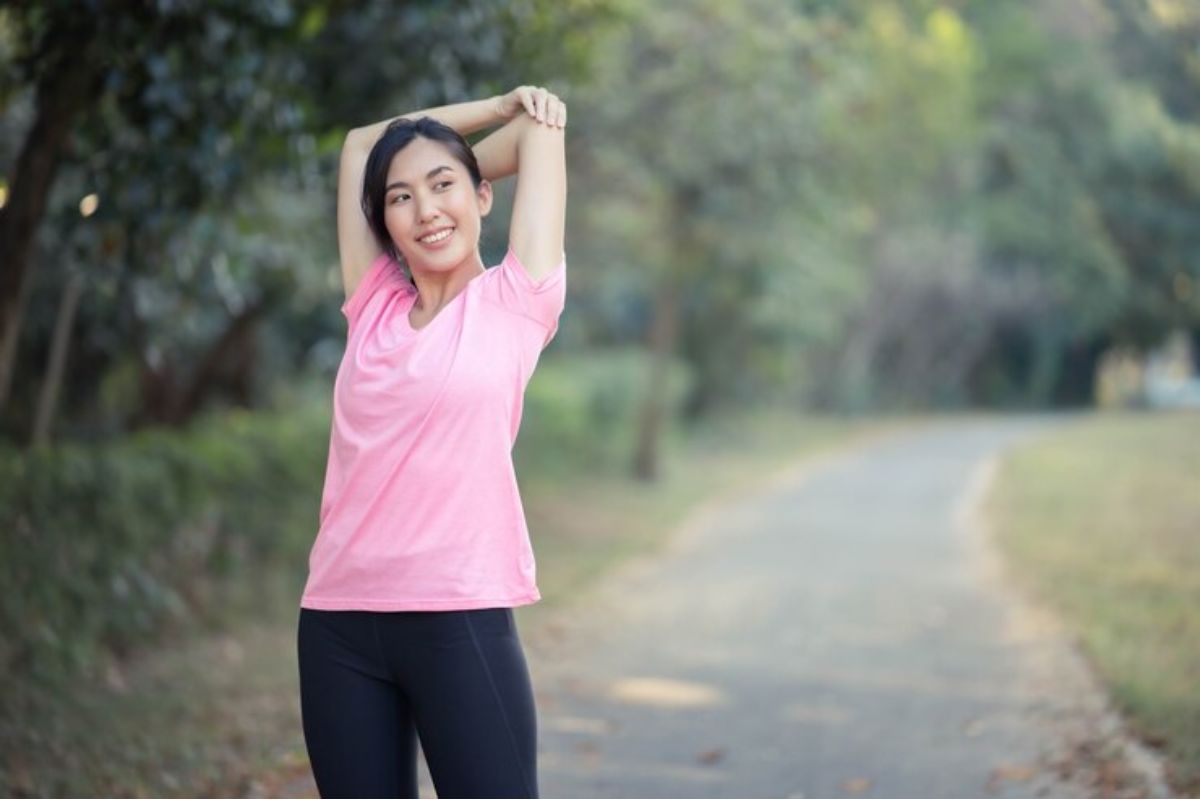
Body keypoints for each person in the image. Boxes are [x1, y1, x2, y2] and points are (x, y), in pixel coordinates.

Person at [296, 85, 568, 799]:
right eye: (400, 199)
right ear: (382, 219)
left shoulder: (516, 299)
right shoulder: (373, 302)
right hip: (338, 625)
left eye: (444, 189)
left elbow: (540, 132)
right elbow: (360, 143)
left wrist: (463, 153)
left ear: (485, 195)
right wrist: (444, 164)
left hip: (459, 619)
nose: (424, 211)